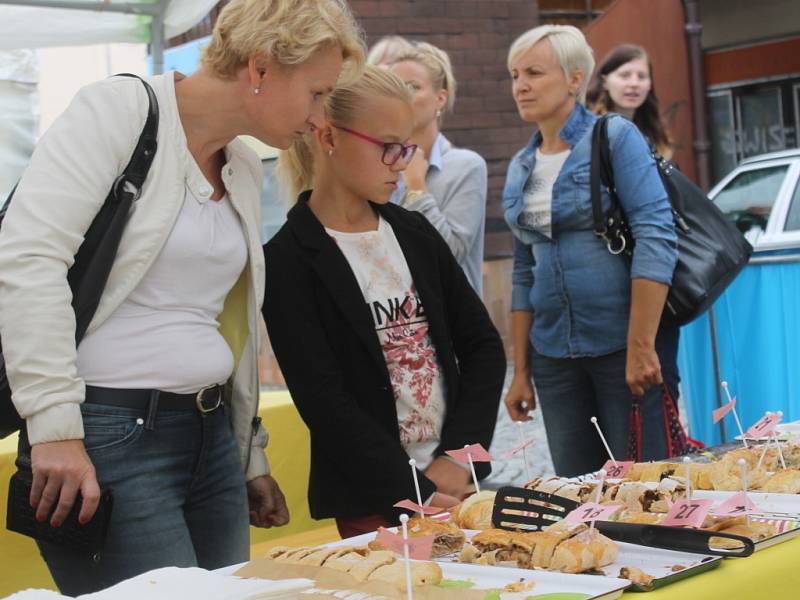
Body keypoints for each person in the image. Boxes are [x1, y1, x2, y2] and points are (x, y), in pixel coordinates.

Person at [0, 0, 364, 594]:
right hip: (104, 433)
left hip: (209, 435)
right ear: (262, 68)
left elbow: (224, 322)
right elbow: (27, 258)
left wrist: (246, 454)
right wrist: (55, 428)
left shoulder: (243, 163)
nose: (320, 116)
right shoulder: (117, 109)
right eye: (318, 93)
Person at [263, 65, 506, 539]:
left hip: (457, 484)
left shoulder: (414, 231)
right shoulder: (288, 260)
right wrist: (413, 488)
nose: (401, 162)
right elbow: (325, 402)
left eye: (409, 146)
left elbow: (482, 346)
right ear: (329, 135)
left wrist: (460, 458)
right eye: (388, 146)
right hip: (371, 500)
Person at [501, 25, 679, 478]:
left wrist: (641, 346)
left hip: (623, 348)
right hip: (554, 358)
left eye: (534, 73)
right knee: (580, 497)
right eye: (514, 74)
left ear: (575, 78)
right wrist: (521, 369)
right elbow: (524, 271)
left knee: (645, 490)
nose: (520, 85)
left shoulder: (612, 137)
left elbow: (656, 235)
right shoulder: (523, 166)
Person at [388, 42, 488, 297]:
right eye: (395, 87)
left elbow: (451, 254)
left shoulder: (466, 166)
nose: (403, 96)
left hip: (452, 326)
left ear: (440, 98)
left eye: (413, 87)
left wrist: (417, 190)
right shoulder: (381, 168)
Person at [586, 44, 673, 159]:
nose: (634, 84)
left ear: (650, 85)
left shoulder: (654, 133)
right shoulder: (590, 130)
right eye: (625, 75)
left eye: (641, 76)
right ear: (605, 81)